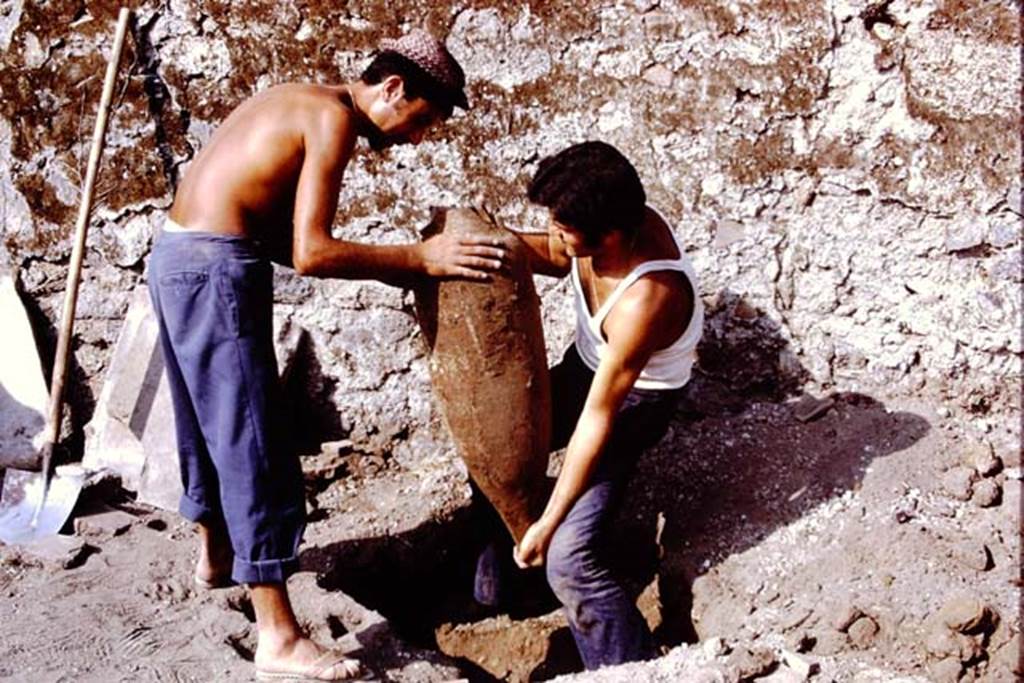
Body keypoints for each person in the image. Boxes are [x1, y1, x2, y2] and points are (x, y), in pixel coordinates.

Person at [147, 30, 505, 682]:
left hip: (175, 254)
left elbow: (276, 234)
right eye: (422, 120)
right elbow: (311, 252)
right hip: (214, 268)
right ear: (393, 87)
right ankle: (278, 636)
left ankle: (216, 556)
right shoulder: (333, 121)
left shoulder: (300, 96)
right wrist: (419, 258)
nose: (417, 139)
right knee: (253, 440)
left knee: (207, 424)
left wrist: (399, 269)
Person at [476, 141, 703, 670]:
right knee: (494, 455)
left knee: (570, 559)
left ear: (611, 235)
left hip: (635, 407)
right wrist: (487, 244)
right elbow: (558, 256)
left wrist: (547, 522)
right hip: (585, 369)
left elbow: (598, 417)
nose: (553, 233)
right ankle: (504, 596)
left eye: (563, 227)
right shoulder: (604, 228)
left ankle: (628, 670)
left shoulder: (648, 297)